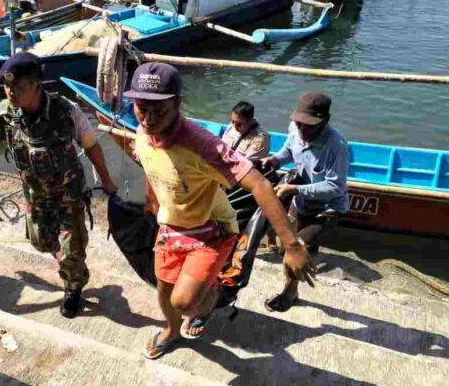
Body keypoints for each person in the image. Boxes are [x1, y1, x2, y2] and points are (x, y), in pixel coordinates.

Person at [118, 63, 315, 359]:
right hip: (171, 226)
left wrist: (291, 243)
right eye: (142, 109)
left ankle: (213, 294)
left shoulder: (204, 146)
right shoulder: (142, 133)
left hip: (212, 230)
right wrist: (151, 199)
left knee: (185, 303)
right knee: (163, 288)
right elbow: (150, 163)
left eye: (160, 110)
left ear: (178, 104)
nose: (149, 119)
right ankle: (172, 331)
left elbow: (260, 185)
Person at [0, 52, 117, 319]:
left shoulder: (66, 111)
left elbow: (91, 146)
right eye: (6, 86)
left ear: (37, 85)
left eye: (18, 87)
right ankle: (68, 261)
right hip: (35, 196)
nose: (11, 92)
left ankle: (73, 288)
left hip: (68, 195)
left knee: (71, 248)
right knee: (41, 242)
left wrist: (106, 181)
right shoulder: (3, 114)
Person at [261, 91, 349, 312]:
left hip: (328, 208)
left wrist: (295, 189)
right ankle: (308, 253)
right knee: (285, 247)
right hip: (302, 203)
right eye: (299, 124)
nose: (302, 130)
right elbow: (288, 150)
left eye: (308, 126)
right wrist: (274, 160)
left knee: (296, 248)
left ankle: (289, 293)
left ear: (325, 121)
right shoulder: (296, 129)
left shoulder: (337, 146)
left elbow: (335, 186)